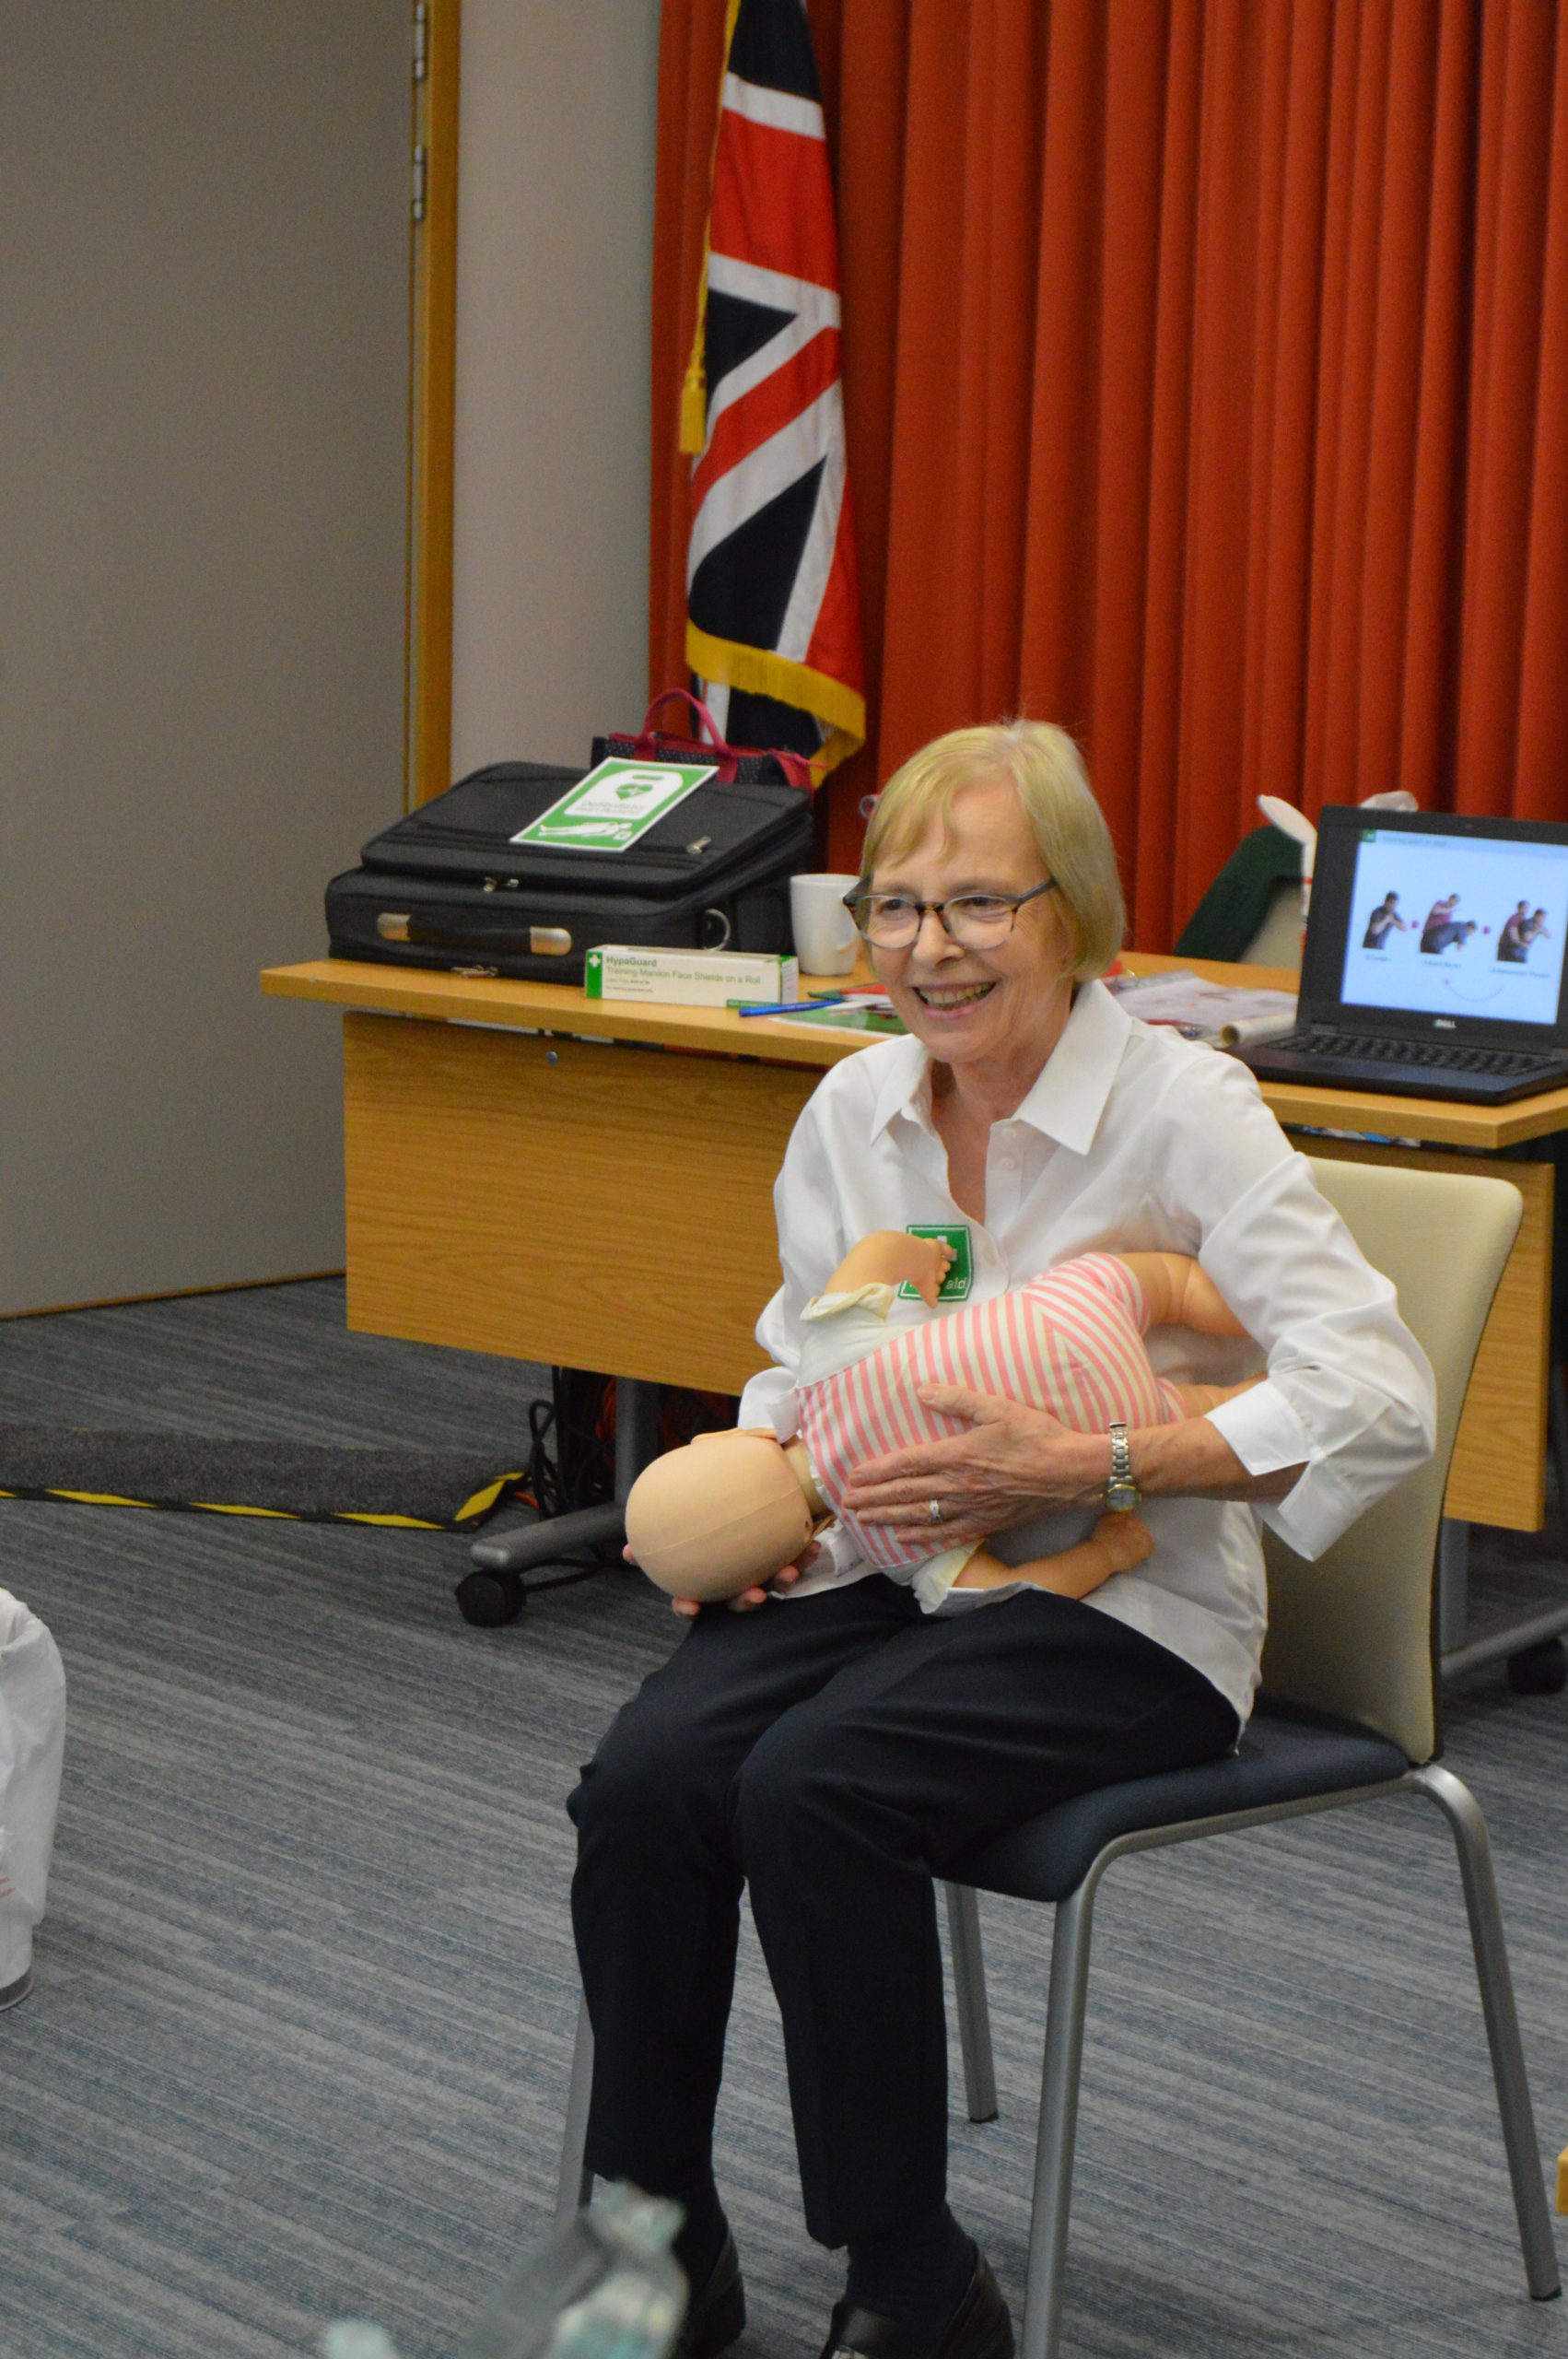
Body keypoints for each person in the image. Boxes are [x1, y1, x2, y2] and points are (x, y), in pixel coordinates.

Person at [568, 722, 1434, 2359]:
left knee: (812, 1790)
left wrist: (1106, 1451)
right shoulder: (853, 1111)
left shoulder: (1186, 1114)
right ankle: (657, 2242)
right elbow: (815, 1357)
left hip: (1133, 1616)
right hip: (887, 1564)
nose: (926, 949)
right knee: (647, 1782)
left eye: (976, 905)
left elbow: (1374, 1390)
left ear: (1072, 916)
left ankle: (910, 2281)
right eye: (893, 908)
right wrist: (767, 1482)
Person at [625, 1232, 1259, 1611]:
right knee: (1171, 1285)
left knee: (1208, 1413)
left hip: (1113, 1427)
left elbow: (1010, 1590)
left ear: (799, 1552)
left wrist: (1106, 1554)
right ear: (736, 1432)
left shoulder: (899, 1547)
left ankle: (1263, 1389)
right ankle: (1270, 1314)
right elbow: (874, 1252)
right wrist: (924, 1258)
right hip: (1068, 1313)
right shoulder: (822, 1367)